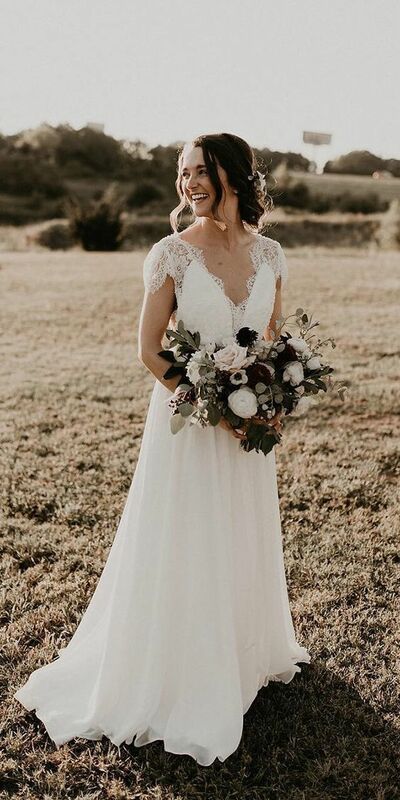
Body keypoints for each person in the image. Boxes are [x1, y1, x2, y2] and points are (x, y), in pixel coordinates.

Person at [14, 132, 310, 767]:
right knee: (186, 535)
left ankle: (240, 652)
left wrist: (269, 399)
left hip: (249, 430)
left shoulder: (273, 254)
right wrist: (214, 403)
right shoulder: (171, 255)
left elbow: (274, 338)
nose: (189, 183)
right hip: (189, 422)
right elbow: (149, 348)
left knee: (236, 532)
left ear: (233, 174)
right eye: (183, 173)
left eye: (200, 170)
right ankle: (178, 666)